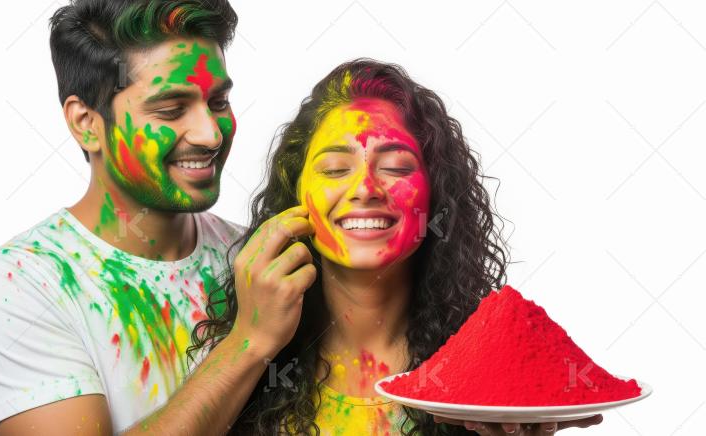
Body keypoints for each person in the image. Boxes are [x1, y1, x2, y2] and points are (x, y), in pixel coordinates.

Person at [0, 1, 316, 434]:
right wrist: (248, 341)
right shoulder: (18, 286)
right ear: (87, 123)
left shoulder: (257, 262)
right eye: (170, 109)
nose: (211, 133)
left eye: (218, 101)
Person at [192, 59, 605, 435]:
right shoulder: (231, 348)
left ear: (435, 195)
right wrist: (250, 341)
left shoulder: (486, 367)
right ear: (295, 193)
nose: (366, 189)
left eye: (396, 168)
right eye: (336, 169)